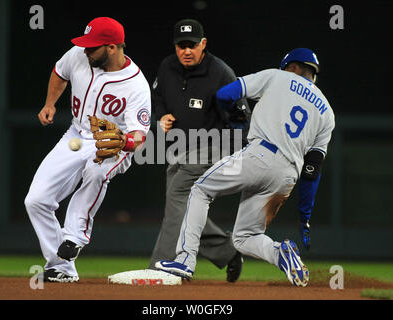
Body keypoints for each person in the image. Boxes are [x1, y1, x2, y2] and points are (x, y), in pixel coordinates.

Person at [156, 48, 335, 287]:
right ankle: (280, 253)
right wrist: (305, 217)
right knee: (244, 237)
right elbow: (312, 170)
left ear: (291, 67)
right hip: (287, 177)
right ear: (313, 73)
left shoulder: (276, 76)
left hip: (259, 155)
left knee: (199, 190)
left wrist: (234, 114)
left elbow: (225, 94)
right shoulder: (327, 112)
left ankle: (185, 260)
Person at [24, 17, 151, 282]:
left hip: (112, 144)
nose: (85, 50)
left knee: (95, 171)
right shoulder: (79, 55)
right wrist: (50, 103)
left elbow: (140, 135)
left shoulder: (136, 84)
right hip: (75, 136)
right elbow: (60, 72)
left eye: (93, 47)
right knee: (35, 200)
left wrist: (125, 143)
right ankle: (61, 267)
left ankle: (74, 236)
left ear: (113, 47)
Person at [149, 19, 250, 282]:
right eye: (181, 46)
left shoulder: (220, 73)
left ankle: (165, 267)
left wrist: (234, 155)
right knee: (181, 208)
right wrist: (161, 117)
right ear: (175, 46)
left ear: (203, 44)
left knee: (177, 198)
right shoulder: (167, 66)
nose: (186, 51)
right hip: (178, 149)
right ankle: (227, 252)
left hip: (213, 147)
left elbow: (241, 117)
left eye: (192, 45)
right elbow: (158, 98)